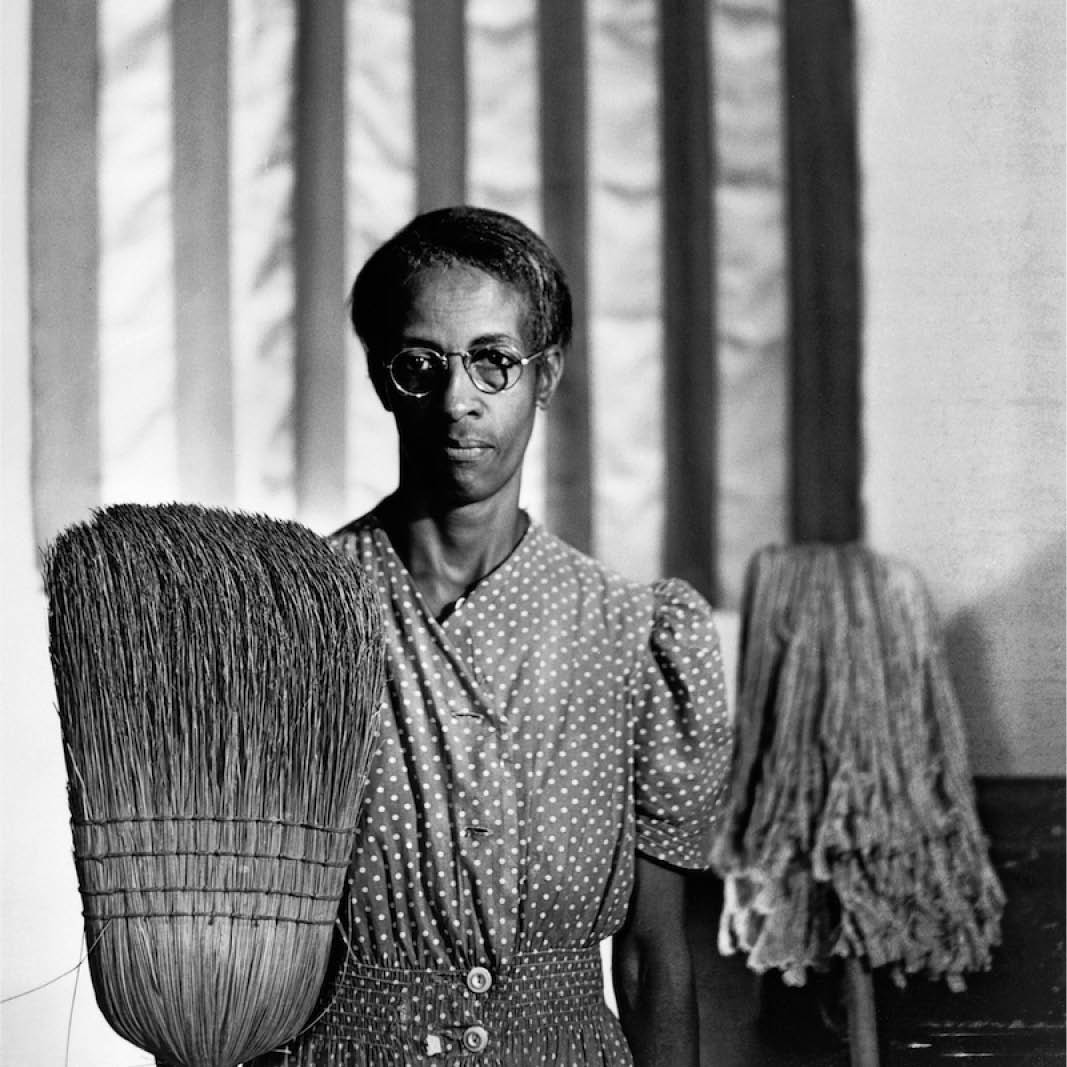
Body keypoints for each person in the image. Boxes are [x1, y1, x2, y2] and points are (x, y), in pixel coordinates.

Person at [258, 206, 732, 1066]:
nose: (456, 398)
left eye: (492, 361)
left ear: (545, 374)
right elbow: (241, 938)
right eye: (420, 364)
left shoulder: (630, 635)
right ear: (378, 375)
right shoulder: (297, 615)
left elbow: (653, 958)